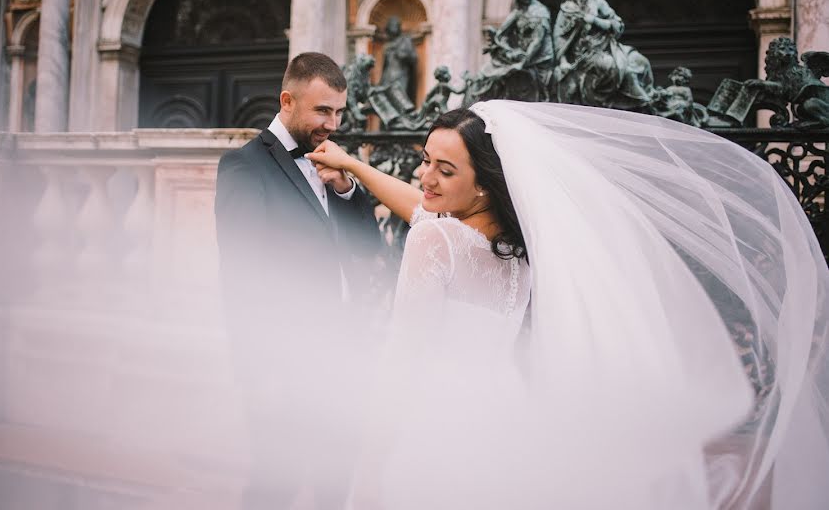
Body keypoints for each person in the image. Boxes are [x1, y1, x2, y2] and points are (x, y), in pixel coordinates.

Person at [305, 100, 829, 509]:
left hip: (436, 427)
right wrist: (352, 162)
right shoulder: (519, 250)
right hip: (507, 424)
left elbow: (403, 360)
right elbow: (422, 207)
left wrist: (371, 468)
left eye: (444, 169)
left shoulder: (435, 242)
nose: (426, 178)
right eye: (425, 161)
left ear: (484, 185)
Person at [214, 52, 381, 510]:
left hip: (341, 355)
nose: (333, 122)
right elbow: (240, 278)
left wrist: (346, 189)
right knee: (276, 486)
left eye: (340, 112)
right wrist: (256, 374)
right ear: (287, 100)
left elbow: (369, 249)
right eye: (323, 110)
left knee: (336, 478)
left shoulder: (332, 164)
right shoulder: (245, 167)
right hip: (281, 364)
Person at [553, 0, 653, 109]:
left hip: (604, 46)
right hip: (583, 54)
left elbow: (616, 24)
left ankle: (644, 99)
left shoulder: (598, 3)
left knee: (639, 61)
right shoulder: (566, 9)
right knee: (611, 66)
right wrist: (563, 61)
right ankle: (611, 102)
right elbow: (559, 36)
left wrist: (594, 20)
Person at [379, 16, 418, 103]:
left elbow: (414, 58)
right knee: (387, 102)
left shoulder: (406, 40)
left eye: (395, 25)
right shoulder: (387, 46)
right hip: (387, 78)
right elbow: (385, 66)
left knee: (400, 101)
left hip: (401, 77)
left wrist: (402, 55)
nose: (393, 27)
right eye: (391, 25)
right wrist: (381, 81)